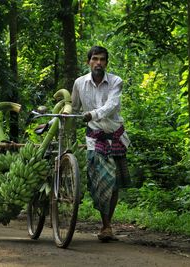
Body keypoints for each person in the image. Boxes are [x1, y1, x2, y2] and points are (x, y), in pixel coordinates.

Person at [71, 46, 131, 242]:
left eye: (102, 59)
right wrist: (60, 117)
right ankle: (105, 223)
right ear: (88, 62)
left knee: (113, 184)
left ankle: (107, 226)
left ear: (106, 62)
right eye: (95, 59)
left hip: (115, 135)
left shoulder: (116, 82)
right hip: (94, 138)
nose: (98, 63)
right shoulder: (79, 83)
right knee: (99, 182)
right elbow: (73, 108)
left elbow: (112, 105)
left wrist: (92, 114)